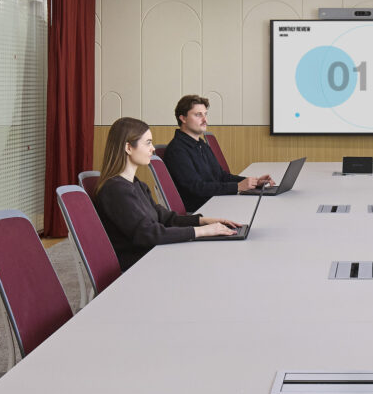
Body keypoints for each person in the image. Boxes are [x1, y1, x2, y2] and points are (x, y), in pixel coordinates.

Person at [93, 117, 242, 271]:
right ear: (128, 148)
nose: (153, 149)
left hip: (156, 254)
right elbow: (148, 234)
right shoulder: (116, 190)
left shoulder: (136, 184)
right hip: (140, 265)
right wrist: (201, 232)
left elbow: (165, 218)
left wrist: (204, 221)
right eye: (148, 143)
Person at [162, 94, 270, 212]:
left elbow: (222, 176)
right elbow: (197, 188)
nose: (205, 120)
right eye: (198, 115)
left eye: (205, 114)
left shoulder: (201, 144)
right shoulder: (177, 150)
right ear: (183, 118)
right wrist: (237, 187)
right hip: (203, 209)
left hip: (216, 200)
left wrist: (253, 182)